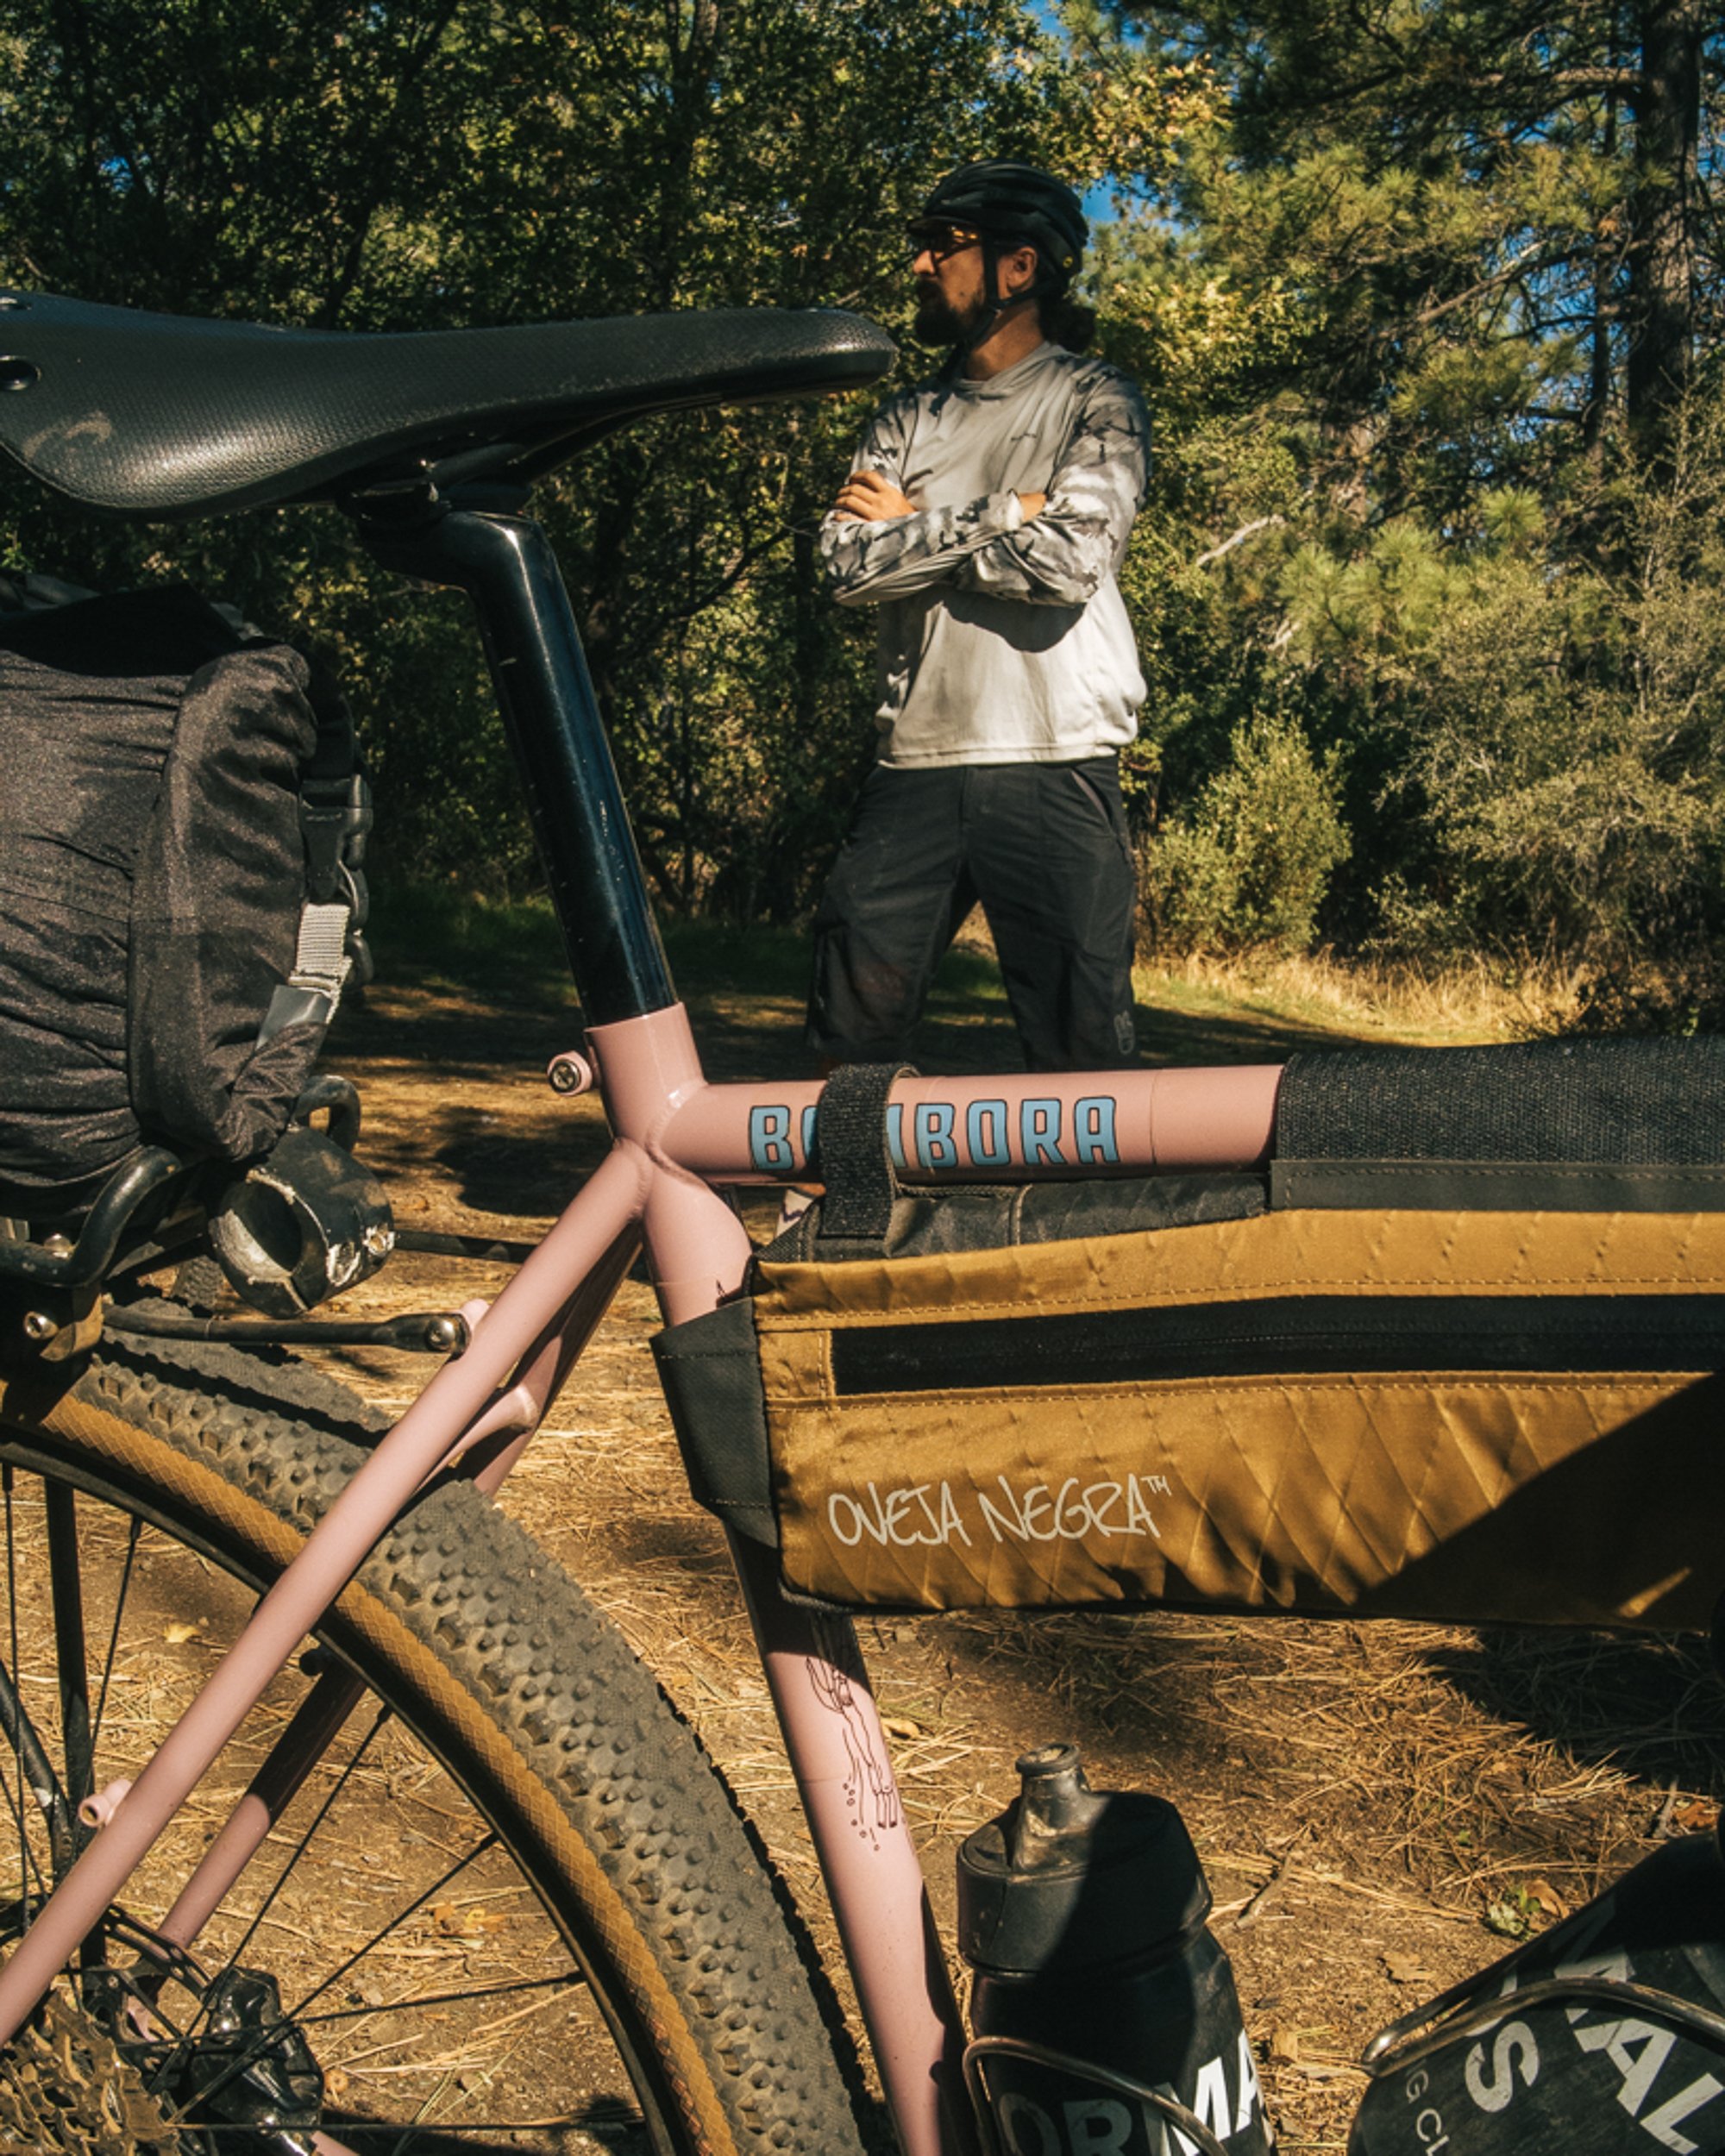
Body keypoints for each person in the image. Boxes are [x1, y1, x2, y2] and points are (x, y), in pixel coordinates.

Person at [806, 159, 1151, 1073]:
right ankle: (852, 1177)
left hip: (1056, 757)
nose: (919, 265)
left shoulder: (1098, 399)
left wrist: (913, 530)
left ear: (1018, 266)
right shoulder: (905, 419)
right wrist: (1007, 511)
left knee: (1083, 1063)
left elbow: (1070, 561)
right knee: (846, 1049)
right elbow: (844, 566)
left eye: (941, 245)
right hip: (912, 764)